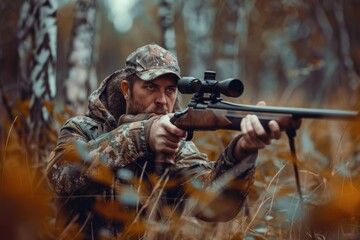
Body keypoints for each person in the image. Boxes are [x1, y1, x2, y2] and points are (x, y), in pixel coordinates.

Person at [46, 43, 283, 239]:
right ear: (126, 89)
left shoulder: (176, 146)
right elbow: (60, 178)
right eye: (151, 87)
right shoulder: (83, 129)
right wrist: (142, 136)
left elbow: (216, 206)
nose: (162, 100)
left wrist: (241, 152)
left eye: (170, 90)